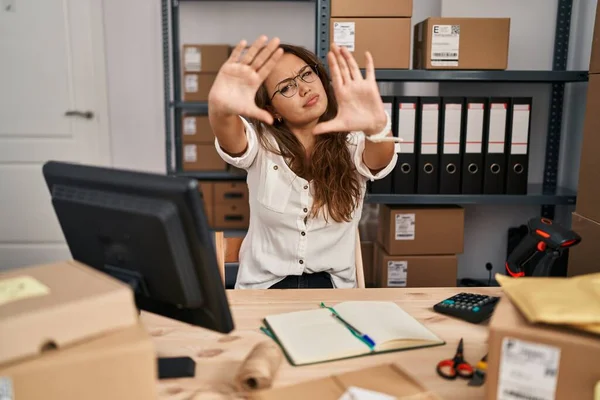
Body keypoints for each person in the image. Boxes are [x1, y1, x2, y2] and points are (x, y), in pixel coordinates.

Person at [208, 36, 399, 289]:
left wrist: (377, 126)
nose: (304, 88)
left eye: (306, 74)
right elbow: (230, 135)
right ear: (272, 109)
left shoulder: (352, 140)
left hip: (333, 292)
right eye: (286, 87)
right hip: (264, 291)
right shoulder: (262, 143)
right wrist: (220, 109)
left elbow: (379, 160)